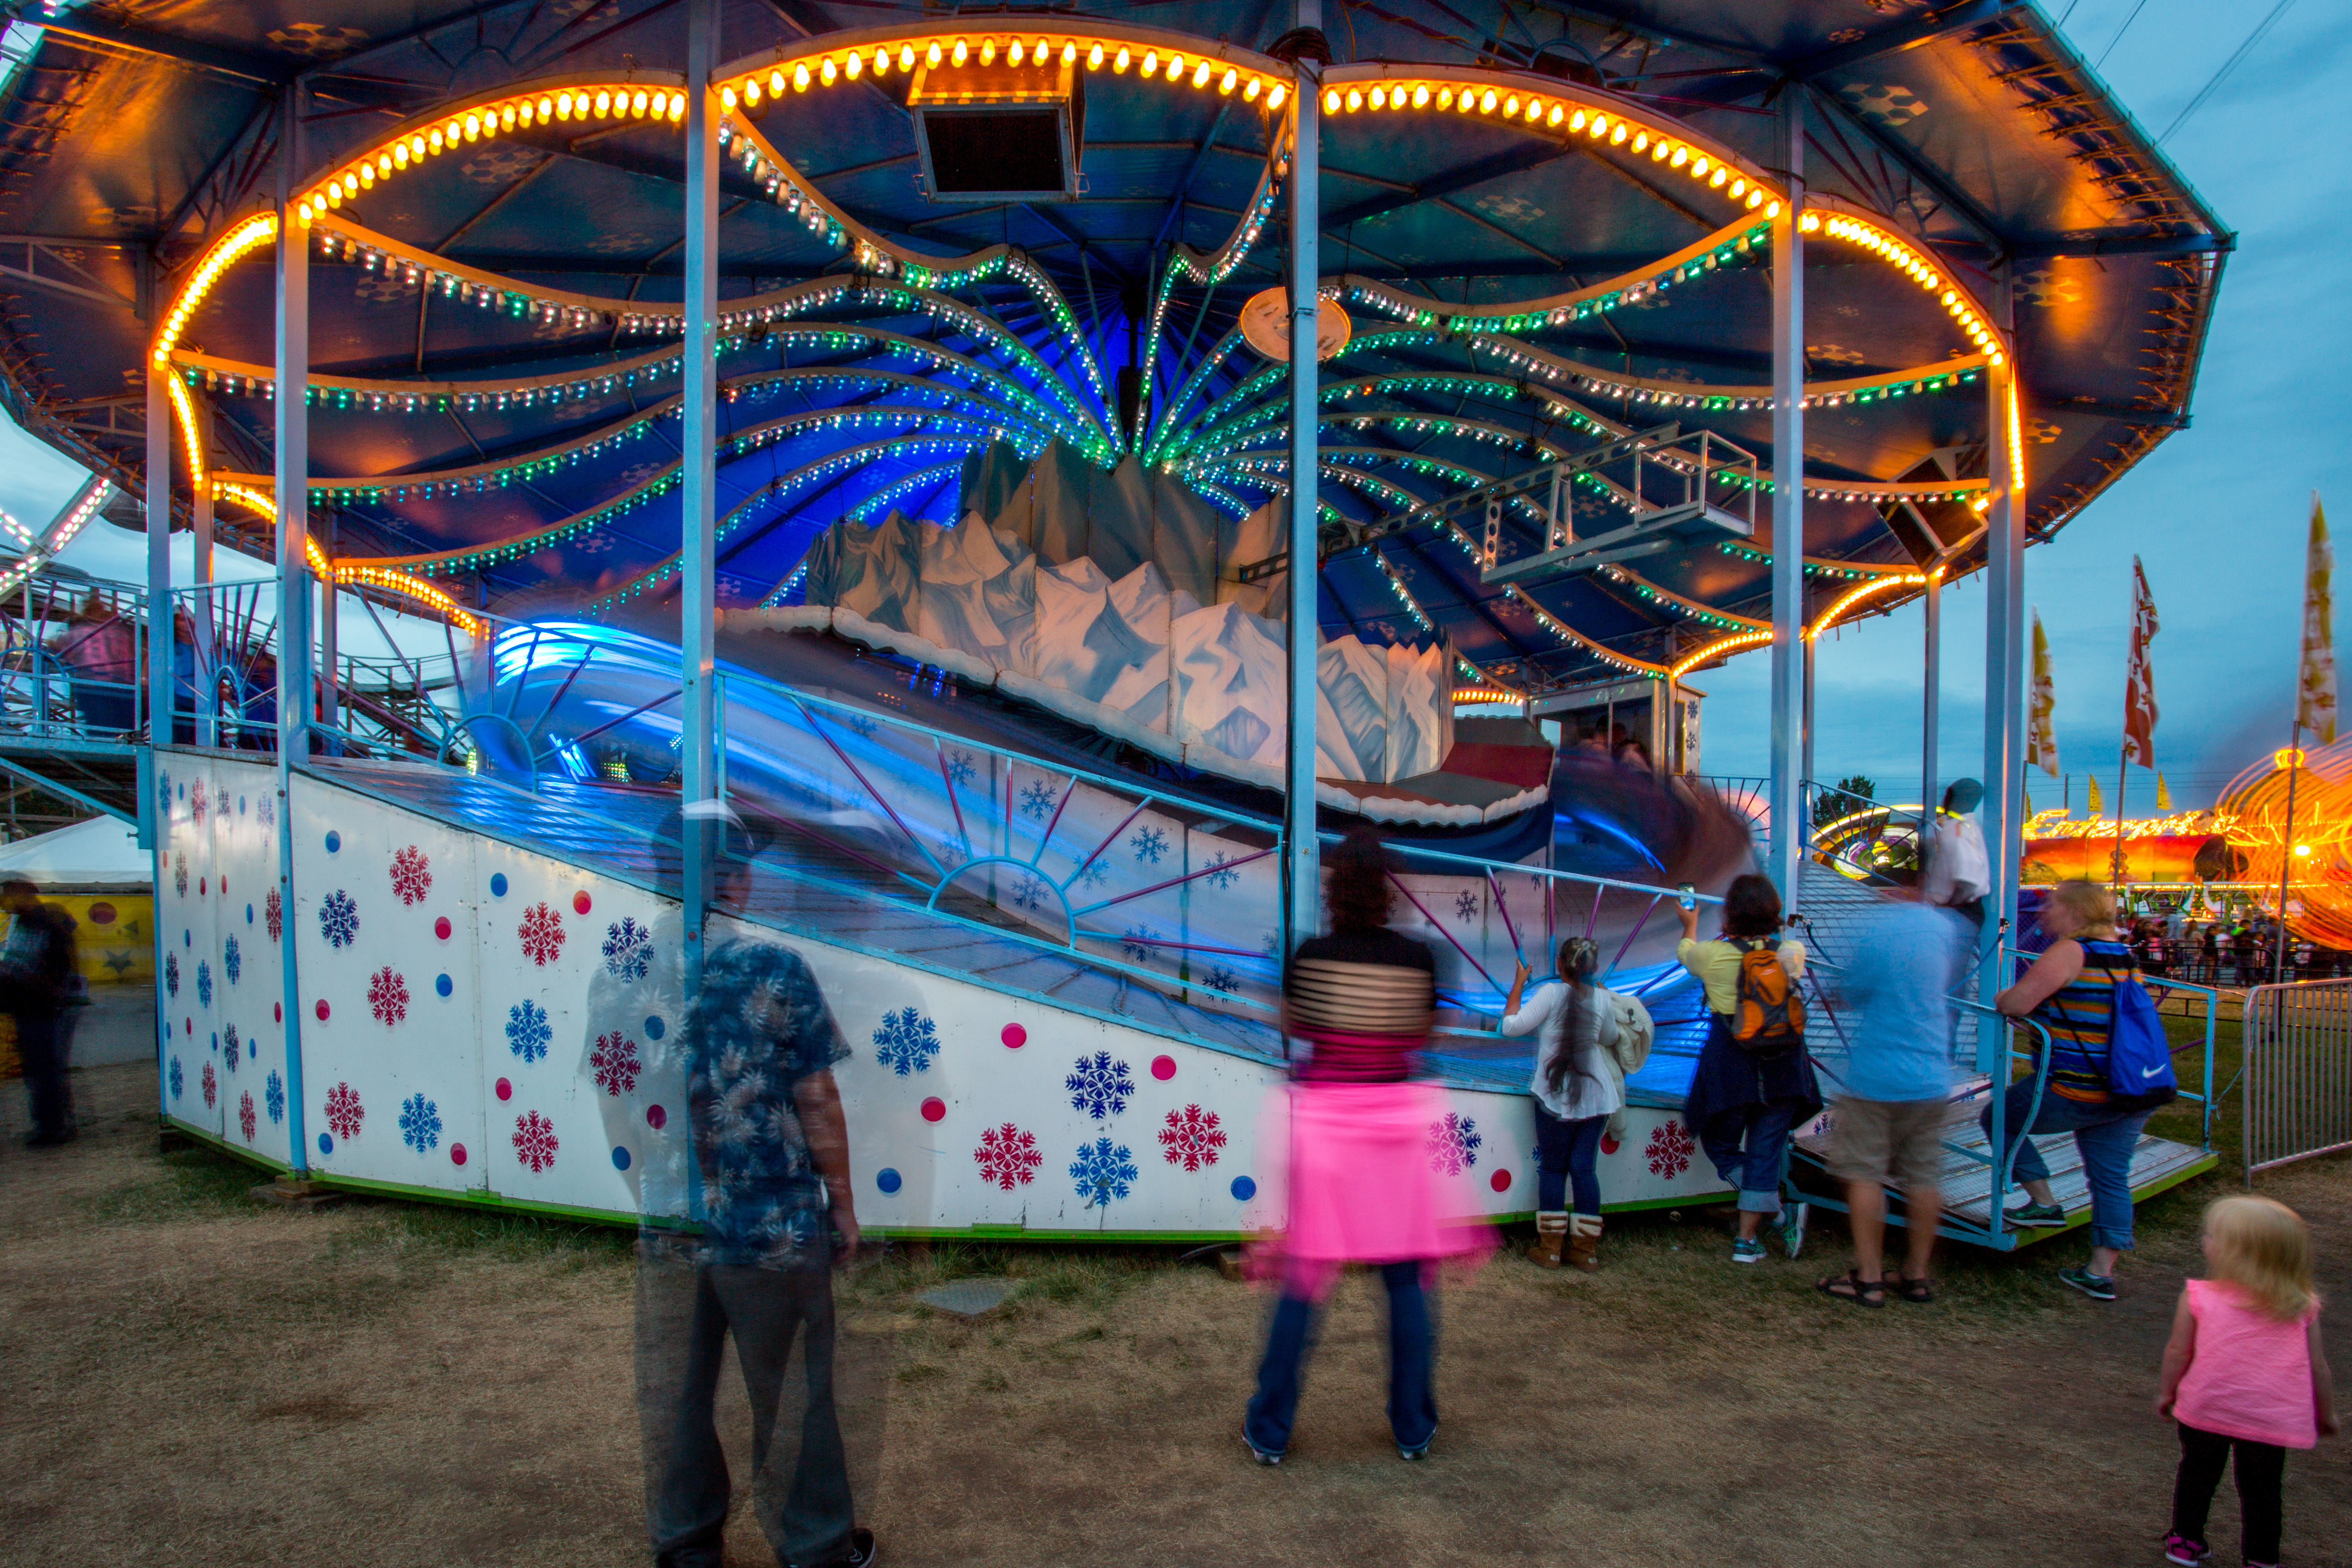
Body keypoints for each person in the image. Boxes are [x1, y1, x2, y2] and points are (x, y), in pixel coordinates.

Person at [634, 807, 878, 1568]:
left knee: (680, 1387)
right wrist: (843, 1202)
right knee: (797, 1391)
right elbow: (815, 1100)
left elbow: (619, 1091)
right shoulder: (772, 969)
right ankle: (815, 1548)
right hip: (767, 1224)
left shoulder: (631, 967)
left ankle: (687, 1544)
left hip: (671, 1216)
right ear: (735, 880)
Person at [1243, 830, 1487, 1465]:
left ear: (1333, 888)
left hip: (1326, 1124)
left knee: (1305, 1276)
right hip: (1394, 1128)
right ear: (1387, 891)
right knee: (1404, 1277)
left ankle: (1270, 1430)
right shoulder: (1421, 959)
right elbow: (1423, 1033)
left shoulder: (1311, 955)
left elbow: (1295, 1026)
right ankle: (1413, 1428)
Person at [1986, 879, 2159, 1300]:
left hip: (2080, 1088)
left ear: (2077, 913)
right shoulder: (2123, 955)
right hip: (2128, 1089)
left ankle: (2043, 1202)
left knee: (1998, 1117)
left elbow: (2014, 1004)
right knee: (2111, 1179)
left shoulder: (2070, 951)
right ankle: (2100, 1272)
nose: (2045, 913)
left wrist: (2006, 997)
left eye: (2054, 906)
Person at [2156, 1195, 2338, 1568]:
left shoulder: (2199, 1296)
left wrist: (2167, 1392)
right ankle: (2261, 1557)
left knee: (2197, 1473)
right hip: (2271, 1418)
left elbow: (2178, 1352)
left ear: (2236, 1252)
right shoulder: (2301, 1304)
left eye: (2210, 1236)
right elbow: (2318, 1366)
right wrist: (2327, 1413)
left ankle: (2186, 1542)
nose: (2204, 1241)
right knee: (2263, 1488)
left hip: (2208, 1406)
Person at [1814, 890, 1965, 1306]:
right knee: (1923, 1176)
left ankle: (1869, 1278)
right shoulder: (1943, 928)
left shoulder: (1876, 929)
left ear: (1889, 889)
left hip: (1878, 1074)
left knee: (1864, 1172)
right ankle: (1915, 1275)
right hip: (1932, 1071)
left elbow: (1853, 991)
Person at [1676, 873, 1820, 1264]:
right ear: (1774, 911)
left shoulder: (1712, 955)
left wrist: (1689, 923)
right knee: (1765, 1151)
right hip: (1785, 1067)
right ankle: (1747, 1240)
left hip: (1732, 1066)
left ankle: (1766, 1212)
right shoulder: (1791, 951)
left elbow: (1685, 953)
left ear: (1731, 914)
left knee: (1718, 1141)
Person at [1500, 937, 1647, 1271]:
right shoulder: (1600, 998)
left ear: (1560, 966)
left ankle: (1550, 1250)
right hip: (1596, 1096)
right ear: (1593, 969)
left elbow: (1511, 1027)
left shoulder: (1551, 993)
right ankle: (1586, 1253)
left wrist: (1519, 985)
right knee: (1584, 1169)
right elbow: (1610, 1038)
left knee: (1554, 1168)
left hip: (1555, 1093)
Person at [0, 878, 80, 1146]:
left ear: (24, 896)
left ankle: (55, 1127)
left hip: (43, 1008)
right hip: (25, 1006)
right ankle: (47, 1124)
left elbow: (58, 967)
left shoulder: (47, 925)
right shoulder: (19, 924)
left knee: (45, 1068)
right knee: (35, 1069)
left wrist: (47, 991)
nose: (5, 901)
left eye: (9, 895)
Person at [1919, 777, 1991, 928]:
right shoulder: (1970, 826)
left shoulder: (1957, 831)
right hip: (1964, 911)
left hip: (1959, 912)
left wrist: (1949, 909)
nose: (1943, 801)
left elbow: (1968, 881)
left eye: (1948, 796)